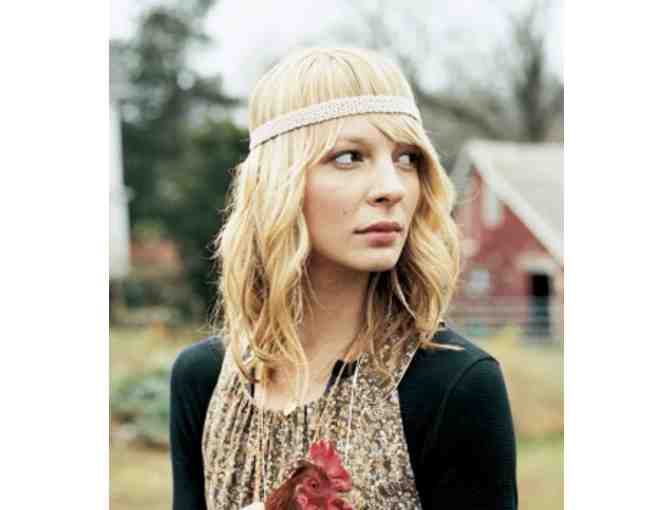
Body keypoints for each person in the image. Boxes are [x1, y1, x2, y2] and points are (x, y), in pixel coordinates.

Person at [169, 46, 518, 510]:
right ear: (278, 184)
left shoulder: (454, 386)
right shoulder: (203, 379)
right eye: (350, 157)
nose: (391, 188)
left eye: (406, 158)